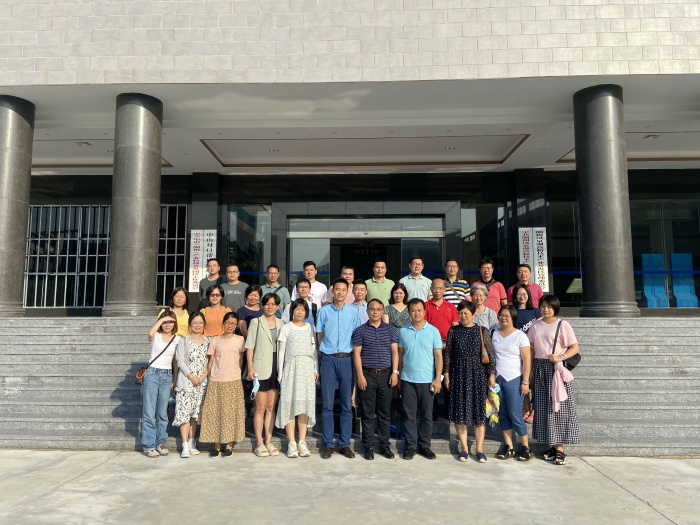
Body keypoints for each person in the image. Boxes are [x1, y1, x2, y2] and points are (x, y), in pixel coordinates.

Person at [527, 294, 581, 466]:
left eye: (549, 306)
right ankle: (551, 444)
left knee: (559, 408)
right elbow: (530, 348)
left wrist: (561, 357)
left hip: (556, 370)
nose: (546, 309)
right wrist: (529, 370)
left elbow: (575, 347)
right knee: (543, 408)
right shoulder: (535, 325)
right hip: (539, 368)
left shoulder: (563, 324)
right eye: (543, 306)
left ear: (555, 308)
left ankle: (560, 448)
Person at [443, 301, 496, 463]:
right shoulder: (453, 330)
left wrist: (491, 374)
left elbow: (491, 354)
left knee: (479, 413)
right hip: (458, 374)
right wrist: (446, 374)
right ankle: (464, 448)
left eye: (466, 313)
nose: (463, 316)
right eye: (460, 313)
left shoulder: (482, 330)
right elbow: (448, 354)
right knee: (460, 412)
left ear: (473, 314)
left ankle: (479, 449)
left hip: (478, 375)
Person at [316, 278, 361, 459]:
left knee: (346, 405)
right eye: (337, 289)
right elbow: (320, 334)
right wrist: (324, 352)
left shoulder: (353, 311)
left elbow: (357, 335)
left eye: (343, 289)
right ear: (332, 291)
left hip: (347, 360)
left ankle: (344, 444)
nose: (340, 292)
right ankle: (328, 444)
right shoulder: (324, 311)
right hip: (328, 359)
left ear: (347, 291)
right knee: (327, 404)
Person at [352, 298, 399, 460]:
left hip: (386, 375)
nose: (375, 312)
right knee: (367, 414)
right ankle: (368, 446)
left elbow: (395, 352)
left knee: (384, 414)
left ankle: (384, 445)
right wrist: (360, 375)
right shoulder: (360, 331)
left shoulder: (390, 330)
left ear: (382, 311)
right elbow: (357, 354)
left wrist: (395, 372)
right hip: (368, 375)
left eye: (378, 309)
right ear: (367, 311)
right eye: (372, 309)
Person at [398, 298, 443, 460]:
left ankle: (424, 446)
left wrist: (437, 379)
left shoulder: (433, 331)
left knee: (426, 415)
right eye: (413, 310)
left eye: (419, 310)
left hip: (427, 381)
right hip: (407, 380)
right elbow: (400, 355)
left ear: (424, 312)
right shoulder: (403, 331)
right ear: (409, 312)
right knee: (409, 415)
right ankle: (411, 446)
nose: (416, 313)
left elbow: (438, 357)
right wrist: (399, 375)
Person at [199, 312, 246, 458]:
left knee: (230, 413)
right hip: (216, 379)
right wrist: (207, 376)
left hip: (233, 379)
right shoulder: (215, 340)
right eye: (228, 322)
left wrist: (238, 375)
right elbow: (211, 361)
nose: (230, 325)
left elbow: (241, 359)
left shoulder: (240, 340)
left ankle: (229, 445)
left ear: (236, 325)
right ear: (223, 323)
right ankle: (217, 446)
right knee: (215, 413)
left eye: (233, 323)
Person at [275, 298, 318, 458]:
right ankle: (291, 443)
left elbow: (313, 350)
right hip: (291, 368)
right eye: (297, 309)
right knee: (289, 404)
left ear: (306, 312)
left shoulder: (309, 327)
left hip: (306, 369)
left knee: (304, 405)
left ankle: (302, 441)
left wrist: (315, 369)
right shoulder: (286, 328)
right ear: (292, 311)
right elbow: (281, 352)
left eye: (303, 309)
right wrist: (280, 373)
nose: (300, 312)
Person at [246, 293, 285, 457]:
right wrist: (250, 368)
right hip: (260, 368)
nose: (270, 307)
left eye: (273, 304)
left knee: (271, 407)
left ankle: (268, 441)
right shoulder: (256, 322)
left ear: (278, 306)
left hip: (276, 368)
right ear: (263, 305)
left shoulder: (282, 323)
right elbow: (250, 347)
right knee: (260, 408)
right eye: (267, 304)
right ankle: (259, 442)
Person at [492, 305, 532, 461]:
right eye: (501, 315)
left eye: (507, 315)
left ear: (513, 317)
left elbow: (527, 360)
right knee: (502, 414)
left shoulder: (520, 336)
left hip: (514, 378)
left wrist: (525, 382)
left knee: (515, 414)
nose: (503, 318)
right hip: (498, 379)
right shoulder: (494, 332)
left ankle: (525, 447)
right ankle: (508, 446)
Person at [141, 311, 181, 457]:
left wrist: (175, 379)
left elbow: (176, 361)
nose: (167, 325)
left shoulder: (177, 339)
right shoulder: (156, 336)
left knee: (162, 412)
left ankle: (160, 442)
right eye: (165, 322)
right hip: (152, 373)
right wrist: (161, 319)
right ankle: (149, 445)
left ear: (175, 323)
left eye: (170, 322)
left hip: (167, 374)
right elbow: (150, 334)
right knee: (149, 411)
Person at [173, 311, 210, 458]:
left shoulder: (208, 341)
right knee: (184, 413)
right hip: (186, 382)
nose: (198, 325)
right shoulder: (184, 341)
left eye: (200, 323)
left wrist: (203, 376)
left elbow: (210, 362)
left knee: (195, 413)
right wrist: (191, 376)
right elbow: (180, 360)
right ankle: (184, 444)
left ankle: (191, 441)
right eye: (195, 323)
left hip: (202, 383)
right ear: (190, 325)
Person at [424, 279, 459, 344]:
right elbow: (423, 326)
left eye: (440, 288)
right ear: (431, 289)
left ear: (444, 289)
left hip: (448, 342)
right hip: (430, 342)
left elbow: (455, 326)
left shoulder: (451, 307)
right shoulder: (425, 306)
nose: (437, 291)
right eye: (435, 288)